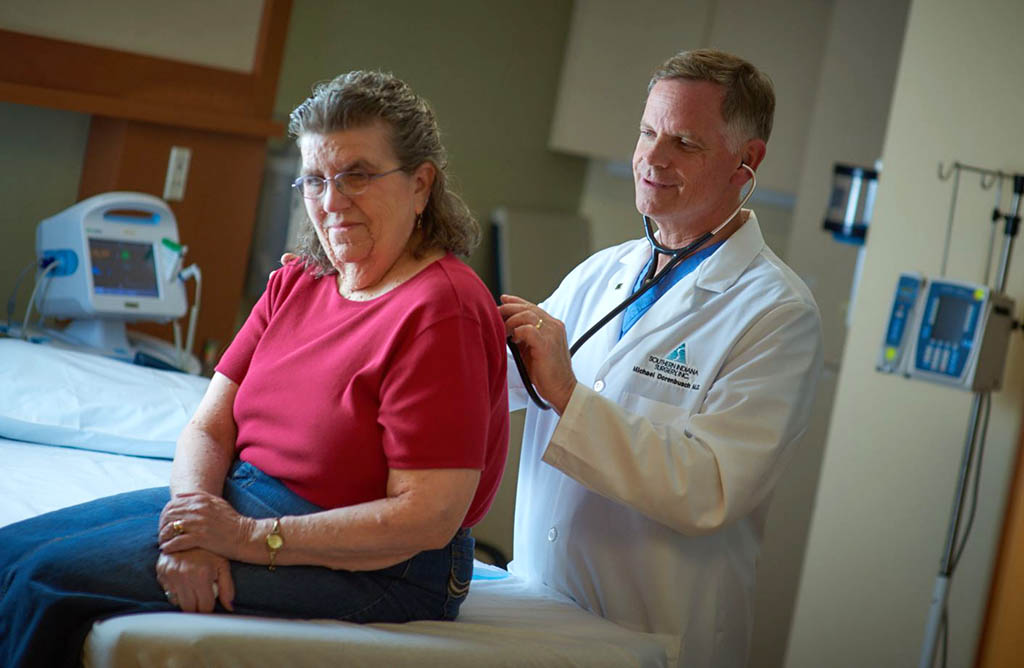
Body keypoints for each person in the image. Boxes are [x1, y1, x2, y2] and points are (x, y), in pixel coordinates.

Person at [0, 70, 509, 668]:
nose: (332, 201)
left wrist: (242, 540)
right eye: (315, 180)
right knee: (12, 552)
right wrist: (193, 527)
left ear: (421, 184)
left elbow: (427, 517)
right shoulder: (299, 281)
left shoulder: (440, 309)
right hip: (248, 499)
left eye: (358, 176)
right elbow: (209, 426)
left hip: (387, 565)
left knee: (46, 579)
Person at [499, 49, 823, 667]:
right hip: (540, 614)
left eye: (684, 142)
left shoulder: (778, 314)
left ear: (746, 163)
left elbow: (710, 488)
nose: (652, 158)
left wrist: (569, 394)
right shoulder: (606, 270)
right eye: (648, 131)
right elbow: (512, 381)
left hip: (655, 639)